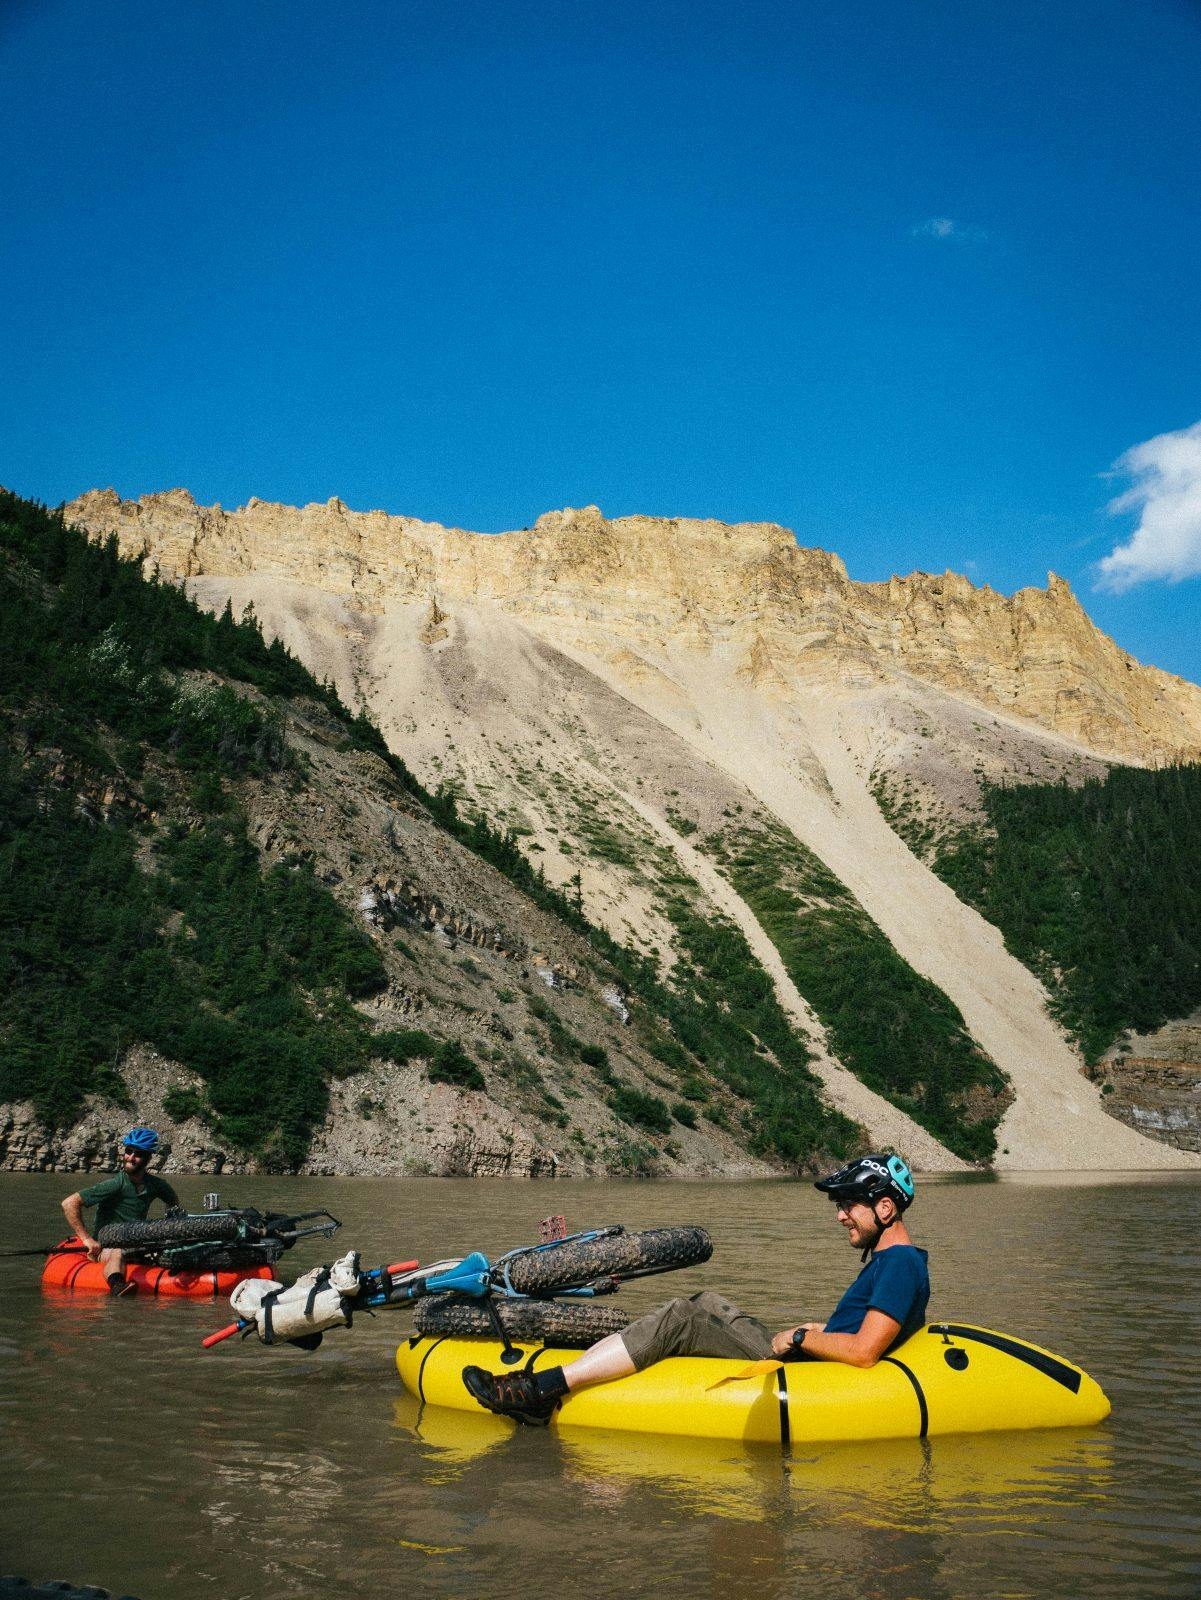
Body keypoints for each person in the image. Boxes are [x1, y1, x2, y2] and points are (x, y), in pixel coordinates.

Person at [464, 1152, 929, 1425]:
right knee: (706, 1300)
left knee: (681, 1318)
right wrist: (818, 1327)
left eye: (849, 1205)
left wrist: (805, 1337)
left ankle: (539, 1389)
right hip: (803, 1355)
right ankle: (618, 1355)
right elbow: (865, 1325)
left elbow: (866, 1351)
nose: (840, 1215)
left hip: (806, 1372)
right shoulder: (896, 1262)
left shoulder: (900, 1264)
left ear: (884, 1208)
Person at [61, 1127, 180, 1295]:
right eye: (128, 1151)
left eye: (137, 1154)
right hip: (108, 1245)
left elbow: (173, 1202)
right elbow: (69, 1203)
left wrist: (169, 1225)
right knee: (118, 1251)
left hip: (137, 1241)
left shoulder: (156, 1185)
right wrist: (87, 1239)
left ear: (148, 1158)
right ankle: (117, 1285)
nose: (130, 1157)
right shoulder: (115, 1184)